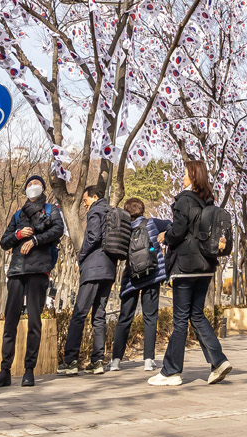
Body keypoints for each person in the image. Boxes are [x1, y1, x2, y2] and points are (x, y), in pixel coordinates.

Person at [149, 159, 232, 388]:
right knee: (196, 315)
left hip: (185, 267)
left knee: (180, 320)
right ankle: (219, 361)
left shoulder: (184, 200)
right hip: (206, 266)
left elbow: (177, 231)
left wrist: (165, 236)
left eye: (185, 173)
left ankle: (171, 372)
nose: (182, 176)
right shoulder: (209, 201)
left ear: (193, 176)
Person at [0, 173, 64, 389]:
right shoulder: (18, 214)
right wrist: (19, 235)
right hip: (16, 271)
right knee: (10, 322)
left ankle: (29, 370)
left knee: (34, 322)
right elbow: (4, 242)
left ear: (43, 188)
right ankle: (4, 371)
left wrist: (35, 240)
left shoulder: (51, 210)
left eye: (37, 183)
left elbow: (58, 230)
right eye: (30, 183)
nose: (33, 186)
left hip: (39, 270)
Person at [59, 181, 118, 375]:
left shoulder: (96, 211)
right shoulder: (112, 212)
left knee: (79, 314)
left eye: (85, 200)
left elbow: (92, 237)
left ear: (95, 197)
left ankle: (71, 361)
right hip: (109, 270)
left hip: (93, 269)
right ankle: (98, 361)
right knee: (99, 315)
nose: (84, 205)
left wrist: (81, 256)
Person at [110, 196, 166, 370]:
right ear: (142, 210)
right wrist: (163, 237)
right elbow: (173, 226)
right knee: (150, 318)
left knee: (124, 318)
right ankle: (148, 360)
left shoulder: (124, 230)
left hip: (131, 279)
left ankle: (116, 361)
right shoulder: (153, 223)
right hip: (152, 275)